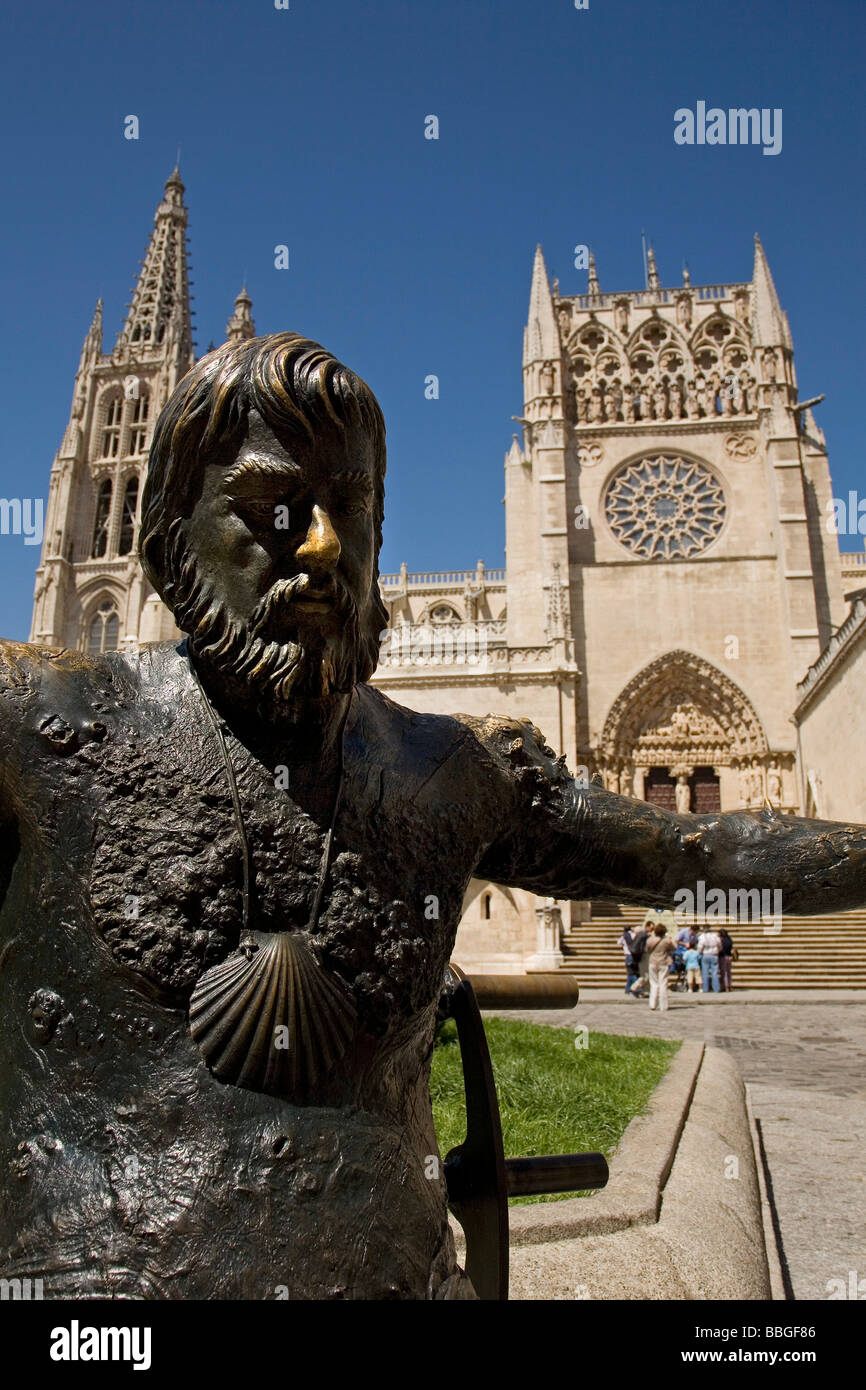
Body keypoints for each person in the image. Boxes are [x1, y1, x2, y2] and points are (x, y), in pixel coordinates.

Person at [2, 331, 866, 1299]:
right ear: (168, 535)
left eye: (352, 506)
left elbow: (702, 846)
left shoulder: (450, 772)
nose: (324, 543)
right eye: (273, 506)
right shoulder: (36, 729)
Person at [647, 923, 675, 1011]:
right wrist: (670, 939)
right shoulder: (667, 941)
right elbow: (675, 948)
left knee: (653, 984)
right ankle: (664, 1005)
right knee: (663, 984)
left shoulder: (650, 940)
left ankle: (652, 1004)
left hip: (653, 962)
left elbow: (647, 949)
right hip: (663, 962)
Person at [698, 925, 722, 993]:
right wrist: (718, 951)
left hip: (705, 954)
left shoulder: (702, 936)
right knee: (715, 973)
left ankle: (705, 988)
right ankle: (716, 988)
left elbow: (700, 946)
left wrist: (699, 952)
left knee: (705, 973)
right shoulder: (715, 936)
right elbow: (719, 945)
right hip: (714, 955)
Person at [617, 926, 638, 995]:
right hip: (634, 955)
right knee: (632, 973)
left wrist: (624, 946)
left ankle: (630, 988)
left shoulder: (624, 935)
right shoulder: (634, 934)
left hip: (628, 955)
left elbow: (619, 942)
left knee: (631, 973)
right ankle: (629, 988)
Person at [718, 927, 737, 992]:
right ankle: (730, 986)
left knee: (724, 973)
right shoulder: (729, 940)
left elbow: (720, 949)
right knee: (729, 972)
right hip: (729, 957)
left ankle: (725, 986)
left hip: (723, 957)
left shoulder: (721, 940)